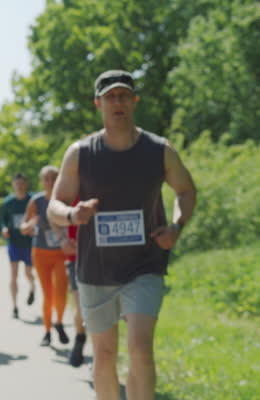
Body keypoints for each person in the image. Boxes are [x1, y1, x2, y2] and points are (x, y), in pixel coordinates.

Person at [48, 70, 196, 400]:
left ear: (134, 101)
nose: (118, 102)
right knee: (104, 354)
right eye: (111, 97)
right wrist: (73, 214)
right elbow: (53, 206)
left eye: (124, 95)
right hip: (95, 270)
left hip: (144, 266)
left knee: (141, 349)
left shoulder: (159, 150)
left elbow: (186, 191)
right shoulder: (80, 153)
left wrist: (176, 226)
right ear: (98, 103)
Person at [20, 166, 69, 347]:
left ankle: (60, 322)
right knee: (48, 294)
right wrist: (30, 224)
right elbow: (23, 227)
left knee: (61, 292)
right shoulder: (36, 201)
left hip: (61, 253)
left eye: (54, 178)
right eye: (46, 178)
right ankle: (47, 331)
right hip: (40, 252)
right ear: (42, 181)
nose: (50, 182)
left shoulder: (65, 199)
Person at [0, 172, 36, 319]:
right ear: (13, 185)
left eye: (22, 183)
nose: (19, 186)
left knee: (28, 272)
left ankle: (32, 288)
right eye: (16, 184)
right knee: (13, 274)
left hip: (28, 243)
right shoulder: (8, 203)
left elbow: (38, 218)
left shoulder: (32, 200)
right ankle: (14, 306)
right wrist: (4, 229)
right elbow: (3, 220)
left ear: (25, 184)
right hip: (14, 243)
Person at [62, 205, 87, 367]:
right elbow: (53, 215)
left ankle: (102, 353)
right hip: (76, 260)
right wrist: (62, 239)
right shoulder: (69, 189)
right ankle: (80, 339)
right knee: (80, 307)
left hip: (104, 259)